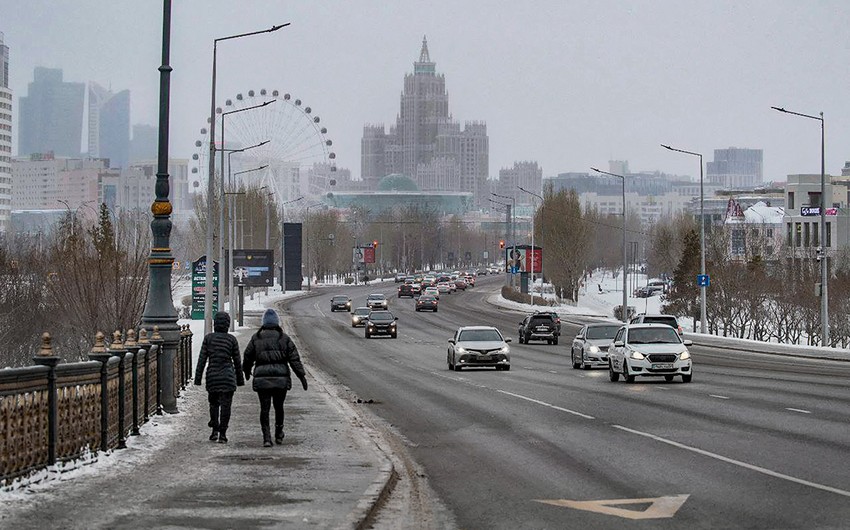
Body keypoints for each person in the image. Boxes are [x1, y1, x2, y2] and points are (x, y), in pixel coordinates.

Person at [243, 308, 308, 447]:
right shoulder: (284, 338)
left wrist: (246, 372)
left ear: (264, 322)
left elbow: (247, 357)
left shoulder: (256, 338)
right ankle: (279, 433)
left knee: (264, 409)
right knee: (279, 407)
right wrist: (301, 376)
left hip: (262, 380)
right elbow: (294, 359)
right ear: (277, 322)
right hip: (280, 380)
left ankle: (266, 438)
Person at [194, 311, 244, 444]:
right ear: (227, 325)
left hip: (213, 377)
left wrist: (198, 378)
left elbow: (202, 360)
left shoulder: (208, 339)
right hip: (228, 378)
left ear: (215, 324)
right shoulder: (231, 340)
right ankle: (223, 434)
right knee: (226, 406)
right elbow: (237, 362)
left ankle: (214, 431)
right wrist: (240, 380)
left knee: (214, 404)